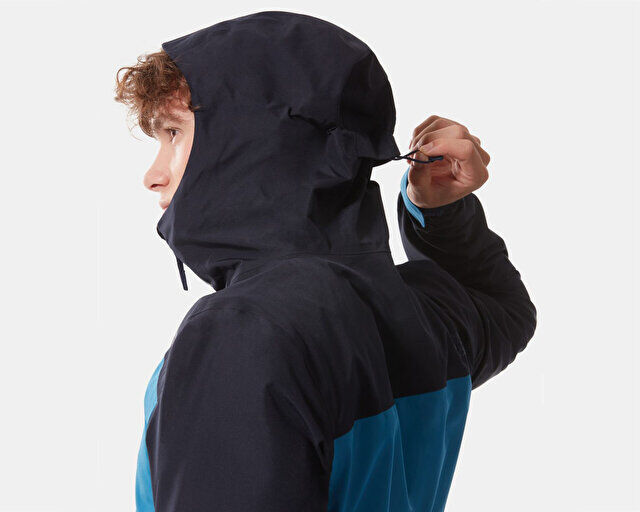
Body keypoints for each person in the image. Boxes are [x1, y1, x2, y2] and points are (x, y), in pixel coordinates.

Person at [114, 10, 537, 512]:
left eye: (174, 133)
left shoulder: (243, 330)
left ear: (255, 140)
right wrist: (441, 212)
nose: (153, 175)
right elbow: (505, 310)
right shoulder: (416, 311)